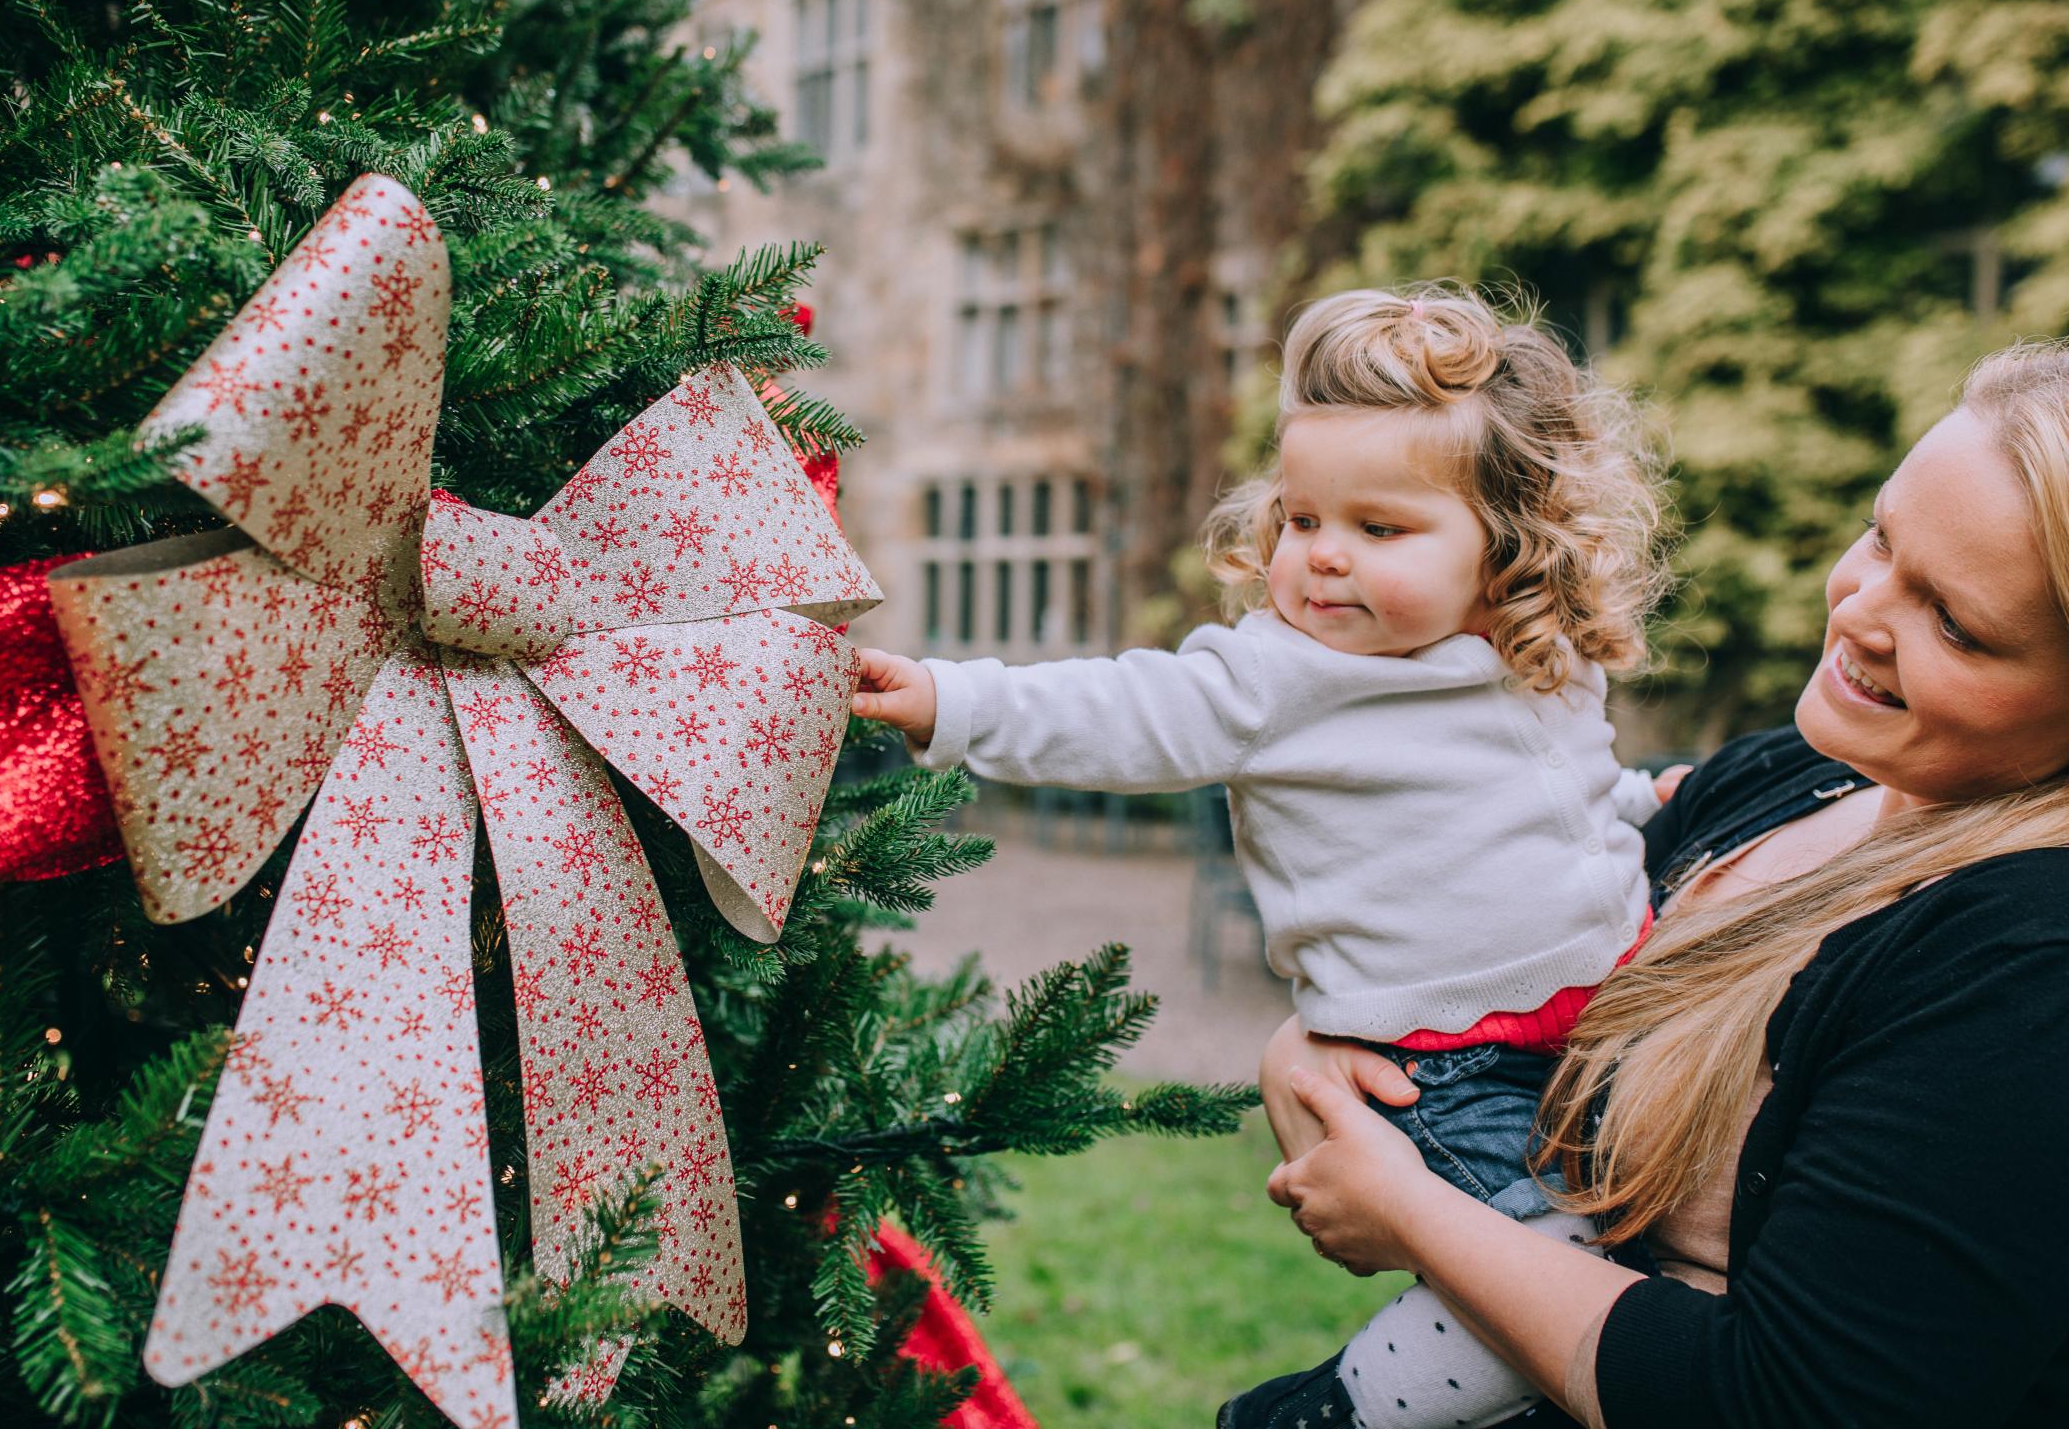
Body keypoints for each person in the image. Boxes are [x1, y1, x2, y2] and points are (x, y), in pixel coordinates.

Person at [852, 284, 1676, 1425]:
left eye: (1377, 529)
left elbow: (1552, 791)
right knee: (1549, 1283)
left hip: (1598, 1032)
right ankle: (1324, 1412)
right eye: (1303, 519)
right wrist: (952, 697)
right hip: (1443, 1063)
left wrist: (1642, 799)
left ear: (1507, 545)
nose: (1323, 558)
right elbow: (1125, 710)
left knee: (1639, 1257)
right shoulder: (1283, 677)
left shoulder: (1539, 652)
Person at [1230, 341, 2069, 1429]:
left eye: (1955, 623)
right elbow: (1483, 926)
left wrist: (1410, 1210)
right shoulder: (1782, 782)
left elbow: (1787, 1403)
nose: (1860, 609)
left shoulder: (2028, 973)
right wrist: (1325, 1048)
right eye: (1881, 535)